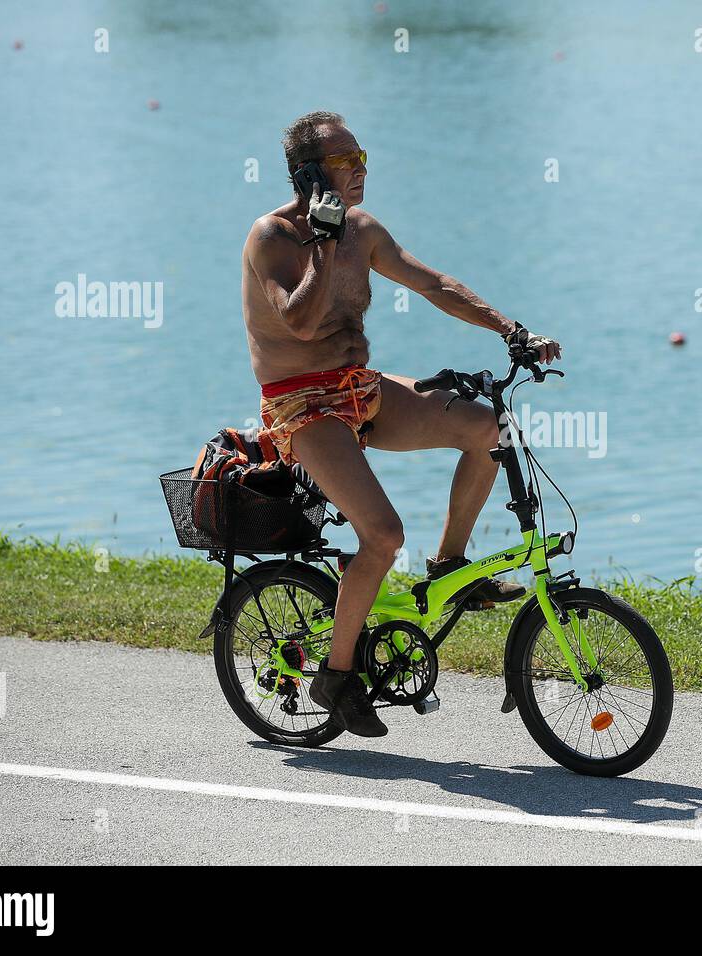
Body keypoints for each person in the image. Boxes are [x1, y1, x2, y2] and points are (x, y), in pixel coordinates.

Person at [240, 111, 561, 737]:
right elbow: (301, 324)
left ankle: (450, 566)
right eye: (345, 161)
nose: (361, 169)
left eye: (363, 156)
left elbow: (434, 284)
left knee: (485, 426)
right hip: (302, 407)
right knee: (384, 536)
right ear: (308, 173)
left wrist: (514, 332)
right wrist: (324, 246)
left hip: (359, 390)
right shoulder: (271, 237)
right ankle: (335, 675)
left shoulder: (362, 230)